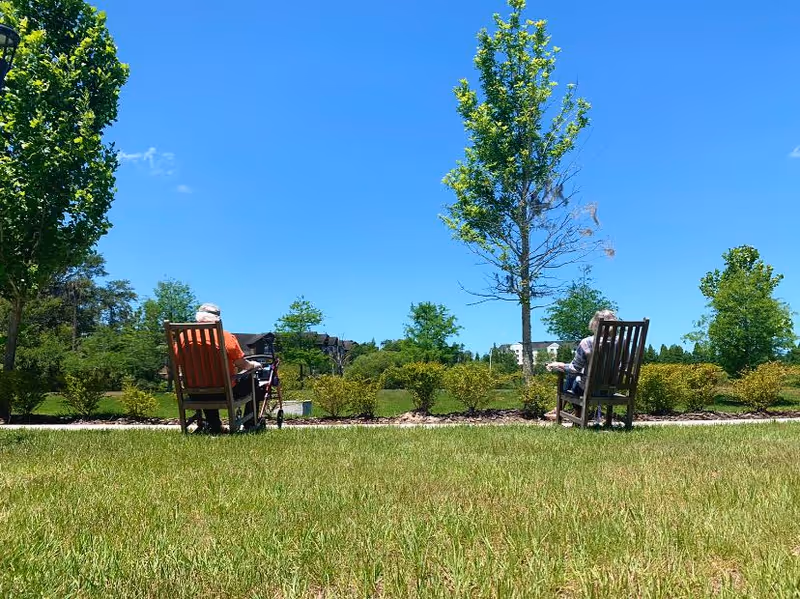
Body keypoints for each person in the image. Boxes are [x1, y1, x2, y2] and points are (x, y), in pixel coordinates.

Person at [181, 303, 267, 433]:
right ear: (218, 319)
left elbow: (176, 363)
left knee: (206, 384)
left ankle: (215, 426)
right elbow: (242, 365)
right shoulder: (225, 337)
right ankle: (250, 424)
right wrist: (254, 365)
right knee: (254, 382)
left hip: (195, 393)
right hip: (224, 393)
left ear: (198, 317)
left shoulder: (183, 337)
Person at [546, 309, 619, 416]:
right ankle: (570, 412)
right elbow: (624, 365)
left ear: (595, 324)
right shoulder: (622, 341)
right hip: (610, 389)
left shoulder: (587, 342)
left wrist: (558, 364)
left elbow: (574, 368)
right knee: (575, 375)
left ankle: (567, 411)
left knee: (572, 376)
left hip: (589, 389)